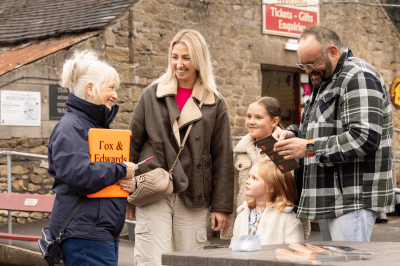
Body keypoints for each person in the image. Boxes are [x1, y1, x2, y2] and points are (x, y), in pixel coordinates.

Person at [273, 25, 395, 242]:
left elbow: (364, 138)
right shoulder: (325, 80)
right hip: (330, 198)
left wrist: (308, 147)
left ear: (332, 51)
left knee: (348, 262)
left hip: (352, 199)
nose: (308, 71)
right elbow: (316, 129)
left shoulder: (358, 76)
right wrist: (292, 134)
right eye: (303, 64)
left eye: (312, 63)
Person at [127, 29, 234, 266]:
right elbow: (131, 147)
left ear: (199, 59)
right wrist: (125, 195)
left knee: (187, 261)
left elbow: (223, 156)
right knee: (153, 260)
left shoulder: (215, 102)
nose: (179, 64)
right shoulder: (151, 95)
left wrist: (221, 207)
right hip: (153, 190)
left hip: (194, 192)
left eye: (186, 57)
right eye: (175, 57)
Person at [47, 50, 138, 266]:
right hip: (86, 233)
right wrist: (120, 170)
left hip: (98, 231)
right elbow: (81, 175)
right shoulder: (71, 127)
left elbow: (98, 173)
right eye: (111, 88)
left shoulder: (89, 126)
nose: (115, 95)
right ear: (90, 89)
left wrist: (126, 182)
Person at [220, 97, 311, 242]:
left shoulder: (285, 149)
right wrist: (226, 215)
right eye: (249, 116)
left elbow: (293, 190)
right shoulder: (240, 150)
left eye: (258, 117)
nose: (251, 121)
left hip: (276, 223)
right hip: (246, 220)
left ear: (274, 121)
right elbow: (235, 189)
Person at [230, 161, 304, 245]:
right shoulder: (243, 214)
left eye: (254, 178)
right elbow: (234, 244)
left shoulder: (287, 218)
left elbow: (295, 250)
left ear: (271, 187)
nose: (247, 181)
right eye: (249, 176)